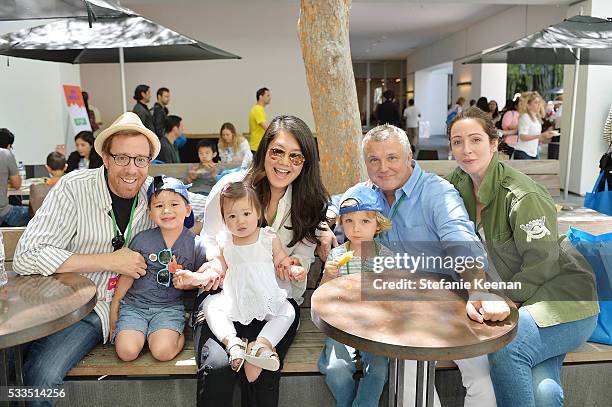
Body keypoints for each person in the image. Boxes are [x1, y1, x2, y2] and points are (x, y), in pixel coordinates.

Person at [12, 112, 206, 407]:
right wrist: (109, 261)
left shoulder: (156, 193)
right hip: (71, 305)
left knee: (36, 373)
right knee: (27, 373)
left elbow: (214, 205)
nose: (132, 169)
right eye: (122, 158)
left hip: (127, 311)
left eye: (141, 159)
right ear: (105, 156)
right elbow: (26, 256)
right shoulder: (73, 188)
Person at [338, 124, 509, 407]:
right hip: (397, 309)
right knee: (410, 382)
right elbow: (334, 208)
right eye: (374, 160)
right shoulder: (364, 195)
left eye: (392, 157)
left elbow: (459, 238)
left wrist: (478, 290)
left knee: (481, 375)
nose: (383, 168)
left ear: (409, 157)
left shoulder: (437, 192)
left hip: (451, 300)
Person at [446, 107, 598, 407]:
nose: (466, 150)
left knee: (507, 349)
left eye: (475, 140)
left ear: (494, 143)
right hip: (524, 302)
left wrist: (501, 298)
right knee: (545, 393)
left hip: (563, 301)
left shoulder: (521, 194)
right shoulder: (458, 184)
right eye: (457, 141)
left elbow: (541, 265)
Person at [184, 115, 329, 407]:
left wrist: (293, 268)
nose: (284, 162)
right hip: (226, 296)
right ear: (264, 151)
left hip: (273, 302)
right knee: (219, 368)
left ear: (305, 163)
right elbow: (210, 238)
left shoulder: (308, 204)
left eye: (295, 156)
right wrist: (217, 263)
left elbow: (296, 265)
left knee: (262, 371)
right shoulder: (231, 186)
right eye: (277, 151)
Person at [178, 181, 303, 374]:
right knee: (212, 307)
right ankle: (233, 343)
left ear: (258, 213)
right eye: (232, 216)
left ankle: (262, 344)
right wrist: (195, 278)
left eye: (246, 214)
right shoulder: (225, 242)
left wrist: (292, 269)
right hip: (236, 299)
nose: (240, 221)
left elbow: (281, 260)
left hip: (265, 297)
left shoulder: (267, 237)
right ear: (225, 220)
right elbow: (219, 268)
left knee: (288, 311)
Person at [110, 175, 205, 362]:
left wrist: (187, 281)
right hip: (134, 306)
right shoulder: (142, 239)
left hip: (168, 308)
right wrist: (115, 307)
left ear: (187, 210)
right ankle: (144, 334)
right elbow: (128, 275)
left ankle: (176, 333)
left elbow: (201, 280)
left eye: (174, 204)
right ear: (150, 213)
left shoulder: (196, 245)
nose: (166, 210)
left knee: (162, 352)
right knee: (126, 352)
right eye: (159, 206)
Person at [318, 184, 394, 407]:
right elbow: (324, 295)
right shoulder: (338, 254)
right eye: (349, 221)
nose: (356, 228)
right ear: (341, 223)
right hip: (342, 323)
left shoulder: (385, 256)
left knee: (379, 370)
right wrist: (328, 276)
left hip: (374, 325)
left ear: (377, 225)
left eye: (365, 221)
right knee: (335, 370)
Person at [0, 128, 29, 226]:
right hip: (3, 213)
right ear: (8, 145)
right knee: (36, 213)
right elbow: (17, 184)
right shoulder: (6, 154)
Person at [514, 91, 555, 159]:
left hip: (534, 152)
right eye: (536, 102)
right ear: (528, 105)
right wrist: (540, 135)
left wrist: (547, 135)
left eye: (539, 102)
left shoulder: (537, 118)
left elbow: (537, 137)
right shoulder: (525, 117)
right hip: (524, 153)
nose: (539, 104)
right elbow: (522, 136)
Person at [249, 87, 271, 153]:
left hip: (258, 146)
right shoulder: (258, 109)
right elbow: (267, 127)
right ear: (261, 97)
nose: (270, 98)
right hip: (257, 147)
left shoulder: (258, 109)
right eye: (268, 95)